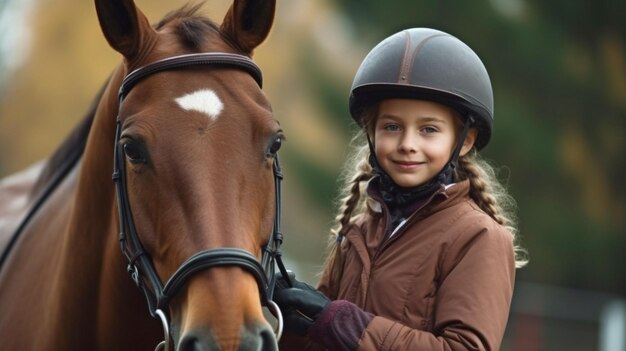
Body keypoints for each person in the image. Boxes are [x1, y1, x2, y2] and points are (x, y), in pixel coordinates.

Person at [274, 27, 527, 350]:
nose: (407, 144)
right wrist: (289, 316)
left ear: (465, 141)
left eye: (428, 130)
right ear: (372, 132)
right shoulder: (356, 233)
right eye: (392, 127)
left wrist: (340, 322)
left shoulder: (479, 237)